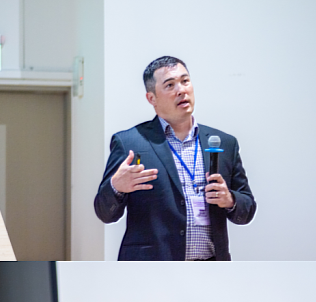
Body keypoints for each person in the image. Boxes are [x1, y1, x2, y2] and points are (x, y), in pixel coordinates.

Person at [94, 56, 257, 261]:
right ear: (151, 98)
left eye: (185, 81)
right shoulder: (131, 143)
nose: (181, 90)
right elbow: (104, 213)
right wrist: (116, 186)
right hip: (152, 270)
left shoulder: (224, 143)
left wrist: (230, 200)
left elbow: (248, 208)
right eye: (170, 85)